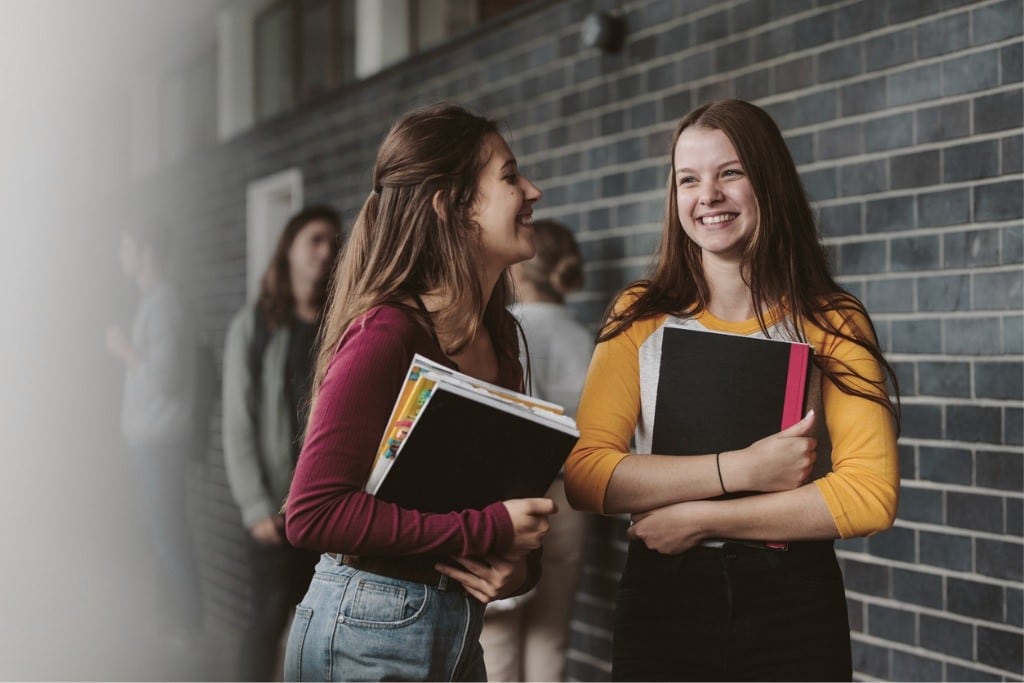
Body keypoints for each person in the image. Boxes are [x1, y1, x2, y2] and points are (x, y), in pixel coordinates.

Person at [564, 99, 900, 682]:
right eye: (688, 179)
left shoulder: (832, 319)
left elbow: (870, 495)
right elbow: (589, 476)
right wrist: (741, 470)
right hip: (664, 600)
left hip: (793, 601)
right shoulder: (640, 315)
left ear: (768, 182)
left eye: (731, 172)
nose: (707, 196)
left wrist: (700, 517)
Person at [282, 103, 557, 682]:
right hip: (364, 631)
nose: (531, 190)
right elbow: (311, 513)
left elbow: (486, 504)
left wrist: (518, 569)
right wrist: (492, 531)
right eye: (509, 177)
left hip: (456, 630)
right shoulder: (387, 332)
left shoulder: (501, 338)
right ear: (451, 206)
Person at [222, 205, 341, 681]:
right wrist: (254, 505)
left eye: (333, 241)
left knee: (319, 631)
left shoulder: (342, 324)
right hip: (273, 509)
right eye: (314, 239)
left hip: (327, 508)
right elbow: (237, 420)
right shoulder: (254, 327)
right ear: (288, 247)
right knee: (268, 621)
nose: (326, 251)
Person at [479, 219, 592, 682]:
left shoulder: (509, 331)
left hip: (523, 501)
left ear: (520, 270)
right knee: (551, 639)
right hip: (576, 500)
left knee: (498, 645)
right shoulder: (586, 336)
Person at [105, 220, 203, 644]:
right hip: (151, 439)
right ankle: (173, 624)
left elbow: (164, 378)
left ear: (145, 250)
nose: (121, 257)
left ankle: (188, 627)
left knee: (169, 534)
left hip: (160, 441)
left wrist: (124, 349)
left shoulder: (163, 303)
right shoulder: (154, 301)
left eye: (126, 247)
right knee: (162, 533)